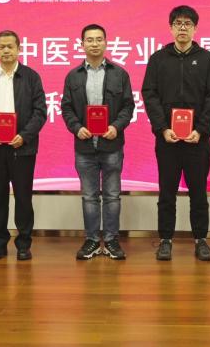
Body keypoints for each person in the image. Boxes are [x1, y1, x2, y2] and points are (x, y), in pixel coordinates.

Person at [141, 5, 210, 261]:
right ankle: (165, 240)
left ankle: (201, 240)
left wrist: (201, 130)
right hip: (168, 140)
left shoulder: (206, 59)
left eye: (187, 23)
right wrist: (162, 128)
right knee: (167, 193)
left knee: (199, 193)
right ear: (171, 28)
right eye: (178, 23)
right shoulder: (158, 59)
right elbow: (149, 94)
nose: (182, 28)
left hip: (197, 141)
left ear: (195, 28)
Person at [0, 30, 47, 261]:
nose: (6, 51)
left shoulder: (31, 77)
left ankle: (23, 244)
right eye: (1, 47)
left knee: (23, 197)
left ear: (19, 49)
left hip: (23, 148)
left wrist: (24, 136)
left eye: (10, 46)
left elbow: (40, 112)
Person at [61, 24, 135, 260]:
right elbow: (66, 108)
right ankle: (92, 240)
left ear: (106, 42)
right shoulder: (73, 76)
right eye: (90, 40)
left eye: (99, 39)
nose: (94, 43)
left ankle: (111, 240)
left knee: (112, 195)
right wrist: (77, 128)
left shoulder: (119, 74)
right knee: (89, 196)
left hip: (111, 145)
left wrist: (116, 127)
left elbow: (128, 106)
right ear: (82, 44)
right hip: (84, 146)